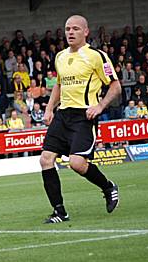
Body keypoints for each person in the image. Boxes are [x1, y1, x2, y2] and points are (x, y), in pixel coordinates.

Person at [40, 15, 121, 224]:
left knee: (77, 163)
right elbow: (58, 85)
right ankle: (59, 212)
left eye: (75, 28)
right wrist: (49, 109)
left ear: (86, 32)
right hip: (62, 115)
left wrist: (100, 106)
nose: (70, 32)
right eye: (67, 29)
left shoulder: (96, 56)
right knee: (45, 159)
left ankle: (108, 186)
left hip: (84, 115)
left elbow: (115, 86)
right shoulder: (60, 57)